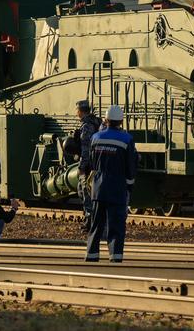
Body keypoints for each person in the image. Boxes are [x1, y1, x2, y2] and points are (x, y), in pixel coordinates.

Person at [85, 104, 137, 264]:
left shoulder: (96, 138)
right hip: (117, 188)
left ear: (106, 120)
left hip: (98, 188)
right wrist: (129, 186)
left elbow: (91, 163)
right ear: (121, 121)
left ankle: (92, 255)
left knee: (96, 224)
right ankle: (115, 256)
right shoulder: (127, 139)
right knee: (116, 225)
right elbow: (130, 167)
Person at [76, 99, 101, 227]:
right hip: (97, 163)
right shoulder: (96, 122)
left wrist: (82, 166)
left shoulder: (86, 126)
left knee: (84, 191)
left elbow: (85, 149)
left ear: (80, 111)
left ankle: (90, 221)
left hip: (88, 165)